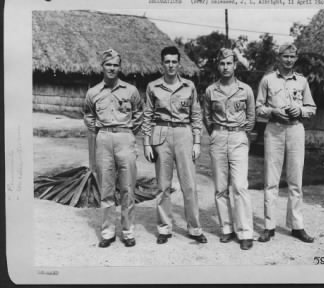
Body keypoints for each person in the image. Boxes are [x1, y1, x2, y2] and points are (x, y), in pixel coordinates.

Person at [141, 46, 207, 245]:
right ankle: (164, 227)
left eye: (174, 61)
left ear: (179, 63)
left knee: (189, 185)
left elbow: (196, 115)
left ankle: (195, 228)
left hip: (184, 134)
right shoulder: (153, 87)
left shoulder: (189, 86)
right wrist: (146, 142)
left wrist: (196, 141)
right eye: (167, 61)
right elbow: (148, 115)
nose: (170, 65)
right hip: (161, 134)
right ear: (162, 64)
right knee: (163, 186)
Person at [255, 43, 316, 243]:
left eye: (292, 56)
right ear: (278, 57)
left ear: (295, 58)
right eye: (285, 56)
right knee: (271, 181)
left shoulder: (302, 81)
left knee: (295, 180)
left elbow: (311, 108)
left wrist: (301, 111)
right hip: (274, 130)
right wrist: (273, 111)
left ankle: (297, 226)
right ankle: (269, 226)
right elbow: (258, 107)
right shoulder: (267, 80)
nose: (288, 60)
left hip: (296, 129)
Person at [84, 49, 143, 248]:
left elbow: (138, 115)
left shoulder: (131, 91)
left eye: (115, 65)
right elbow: (89, 116)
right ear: (102, 67)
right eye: (108, 65)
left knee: (127, 187)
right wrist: (100, 131)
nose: (112, 68)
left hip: (125, 136)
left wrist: (126, 132)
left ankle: (128, 231)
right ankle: (108, 232)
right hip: (103, 138)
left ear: (120, 67)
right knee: (106, 188)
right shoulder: (93, 93)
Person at [203, 48, 256, 250]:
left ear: (235, 65)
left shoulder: (246, 90)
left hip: (238, 136)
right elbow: (207, 116)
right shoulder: (210, 90)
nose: (225, 67)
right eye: (222, 63)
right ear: (218, 66)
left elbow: (251, 117)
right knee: (220, 187)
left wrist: (241, 133)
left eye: (229, 63)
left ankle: (245, 232)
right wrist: (216, 133)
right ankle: (226, 228)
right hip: (218, 136)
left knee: (240, 186)